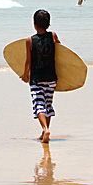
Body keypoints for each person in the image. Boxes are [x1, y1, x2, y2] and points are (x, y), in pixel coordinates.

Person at [21, 9, 60, 144]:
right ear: (48, 23)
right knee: (48, 105)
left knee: (39, 105)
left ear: (34, 24)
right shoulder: (53, 36)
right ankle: (45, 131)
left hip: (36, 79)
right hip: (51, 77)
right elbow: (61, 52)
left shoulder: (30, 40)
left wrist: (25, 75)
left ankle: (45, 129)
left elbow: (28, 62)